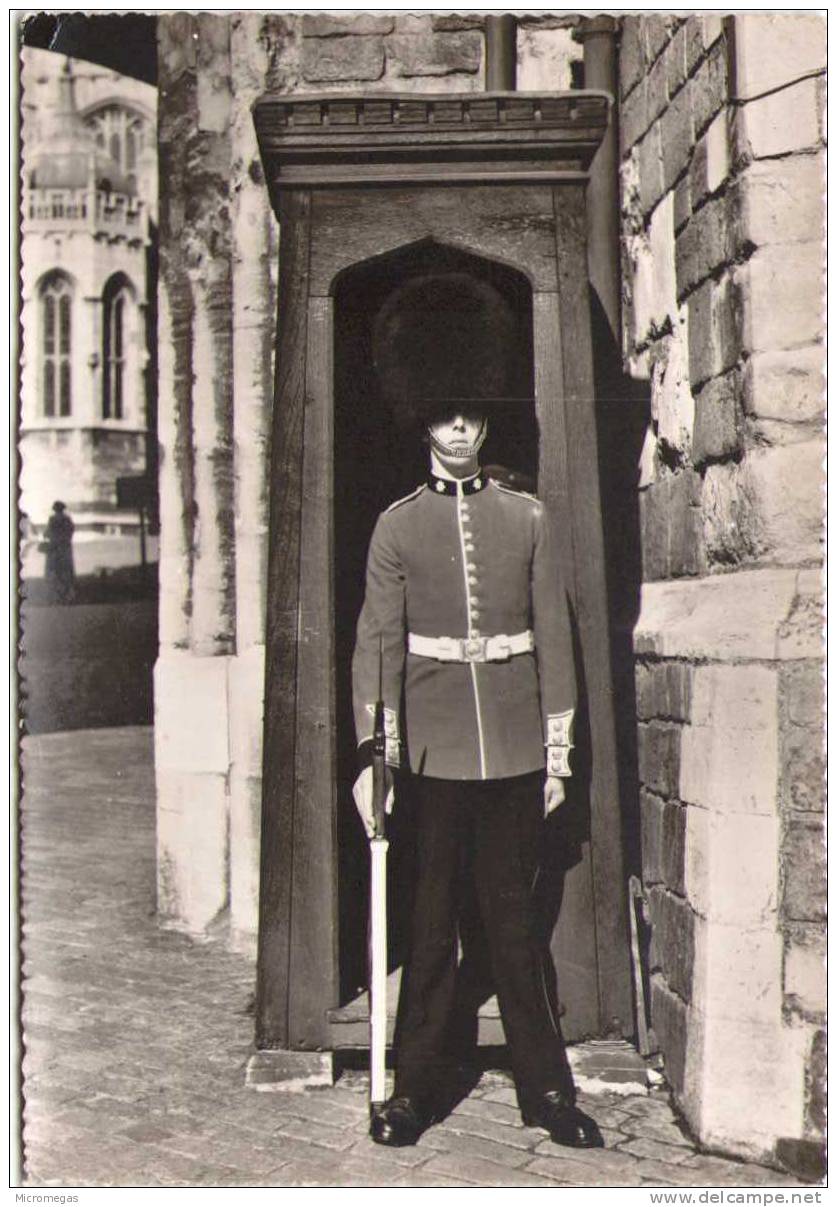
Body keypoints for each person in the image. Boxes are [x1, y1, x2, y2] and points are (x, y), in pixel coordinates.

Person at [351, 401, 603, 1150]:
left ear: (485, 429)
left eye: (470, 416)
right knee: (429, 925)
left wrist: (556, 752)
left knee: (513, 926)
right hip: (432, 749)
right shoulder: (396, 525)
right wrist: (376, 756)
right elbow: (379, 644)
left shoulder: (525, 518)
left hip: (515, 745)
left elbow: (552, 637)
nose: (458, 428)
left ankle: (547, 1089)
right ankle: (414, 1087)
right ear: (423, 427)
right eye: (442, 416)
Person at [43, 500, 76, 604]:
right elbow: (71, 530)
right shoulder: (67, 519)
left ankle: (57, 596)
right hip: (65, 548)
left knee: (55, 571)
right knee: (66, 571)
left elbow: (47, 533)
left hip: (54, 548)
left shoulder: (52, 519)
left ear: (54, 509)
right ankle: (67, 595)